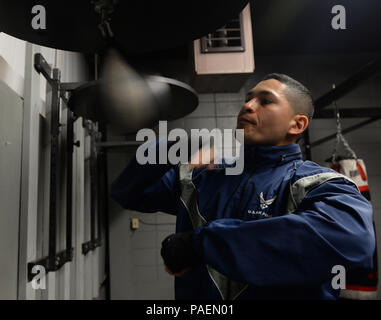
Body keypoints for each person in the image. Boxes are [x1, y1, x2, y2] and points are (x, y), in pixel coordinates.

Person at [110, 73, 376, 300]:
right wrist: (178, 147)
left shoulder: (317, 183)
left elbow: (352, 240)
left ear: (297, 124)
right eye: (247, 98)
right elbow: (127, 193)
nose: (248, 106)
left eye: (265, 101)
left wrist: (200, 244)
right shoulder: (205, 177)